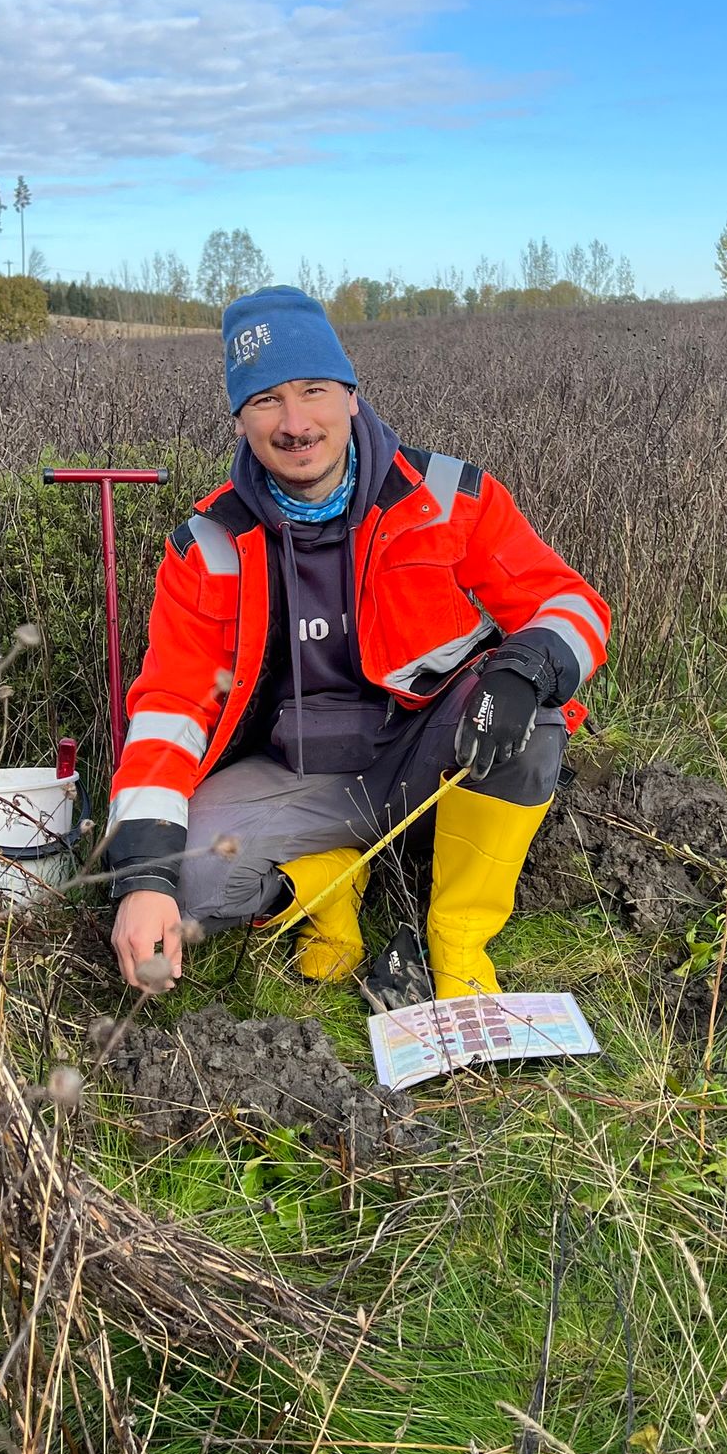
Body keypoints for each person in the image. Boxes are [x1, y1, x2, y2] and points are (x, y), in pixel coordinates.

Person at [105, 286, 609, 1001]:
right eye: (266, 401)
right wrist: (143, 879)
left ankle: (458, 940)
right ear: (241, 419)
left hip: (436, 749)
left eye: (313, 390)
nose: (295, 422)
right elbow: (169, 711)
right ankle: (327, 885)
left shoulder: (444, 494)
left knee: (532, 723)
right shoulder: (207, 547)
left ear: (349, 394)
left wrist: (525, 671)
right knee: (186, 877)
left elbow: (571, 604)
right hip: (298, 773)